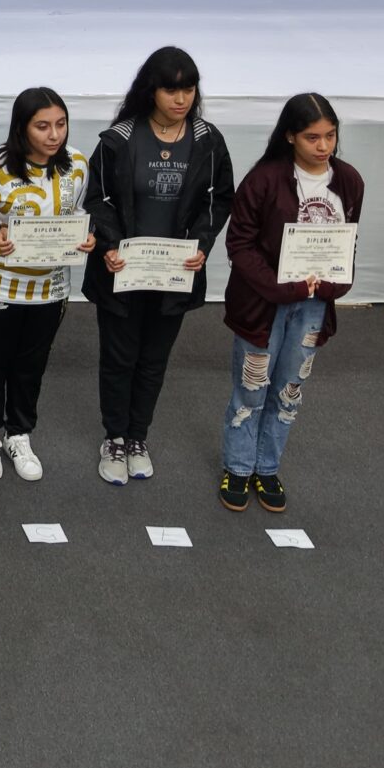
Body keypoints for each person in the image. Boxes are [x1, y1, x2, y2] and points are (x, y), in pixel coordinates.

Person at [85, 46, 234, 486]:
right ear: (151, 91)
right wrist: (108, 245)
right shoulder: (120, 138)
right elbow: (96, 198)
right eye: (171, 89)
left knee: (154, 359)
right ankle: (113, 437)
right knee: (119, 357)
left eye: (189, 88)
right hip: (121, 271)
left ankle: (137, 438)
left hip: (175, 274)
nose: (181, 98)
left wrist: (203, 243)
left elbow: (220, 198)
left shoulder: (208, 140)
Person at [219, 93, 363, 513]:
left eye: (331, 136)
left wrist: (334, 285)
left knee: (289, 390)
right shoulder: (264, 179)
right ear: (290, 136)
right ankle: (238, 467)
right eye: (312, 137)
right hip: (263, 305)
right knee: (251, 389)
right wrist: (284, 288)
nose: (323, 146)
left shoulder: (349, 181)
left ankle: (267, 467)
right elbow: (239, 245)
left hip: (314, 307)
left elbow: (347, 244)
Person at [0, 87, 95, 483]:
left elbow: (81, 212)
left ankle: (19, 433)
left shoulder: (79, 165)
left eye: (61, 124)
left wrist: (89, 237)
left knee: (32, 365)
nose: (54, 135)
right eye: (43, 126)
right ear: (22, 128)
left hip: (50, 289)